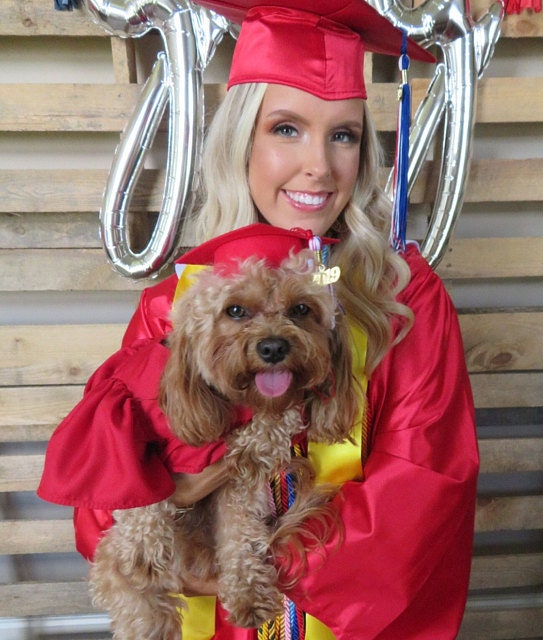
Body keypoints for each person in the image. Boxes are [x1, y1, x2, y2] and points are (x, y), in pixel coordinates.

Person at [38, 1, 479, 638]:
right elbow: (103, 488)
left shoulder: (404, 299)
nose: (320, 167)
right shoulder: (177, 301)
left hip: (336, 617)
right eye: (286, 129)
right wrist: (177, 505)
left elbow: (423, 488)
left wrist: (254, 571)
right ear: (242, 141)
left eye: (343, 135)